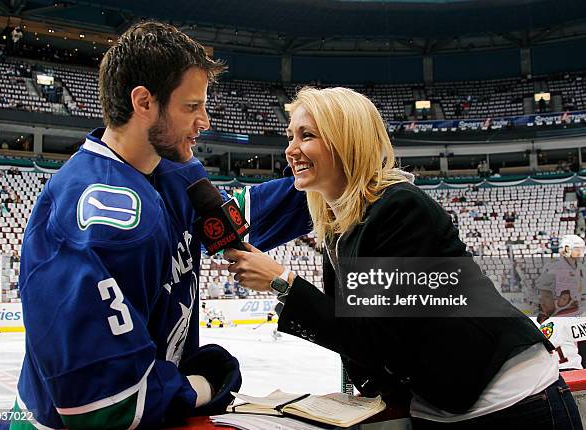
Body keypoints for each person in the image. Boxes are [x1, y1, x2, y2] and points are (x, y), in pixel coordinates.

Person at [224, 87, 582, 428]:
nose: (292, 149)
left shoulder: (399, 208)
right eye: (290, 136)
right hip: (445, 408)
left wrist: (284, 282)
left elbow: (377, 337)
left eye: (307, 136)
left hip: (513, 403)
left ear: (346, 140)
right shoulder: (339, 228)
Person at [1, 21, 243, 429]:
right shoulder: (102, 219)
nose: (204, 120)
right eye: (190, 106)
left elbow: (248, 214)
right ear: (143, 102)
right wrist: (205, 383)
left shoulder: (172, 174)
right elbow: (105, 405)